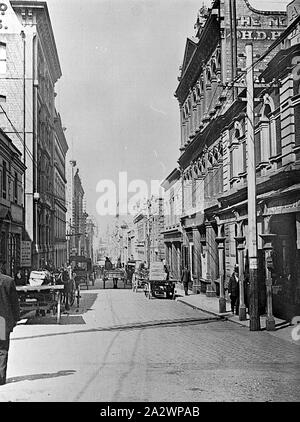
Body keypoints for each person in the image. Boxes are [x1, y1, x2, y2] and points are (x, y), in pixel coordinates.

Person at [0, 267, 20, 385]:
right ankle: (1, 378)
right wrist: (15, 320)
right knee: (2, 350)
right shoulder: (8, 281)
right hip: (2, 321)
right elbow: (14, 304)